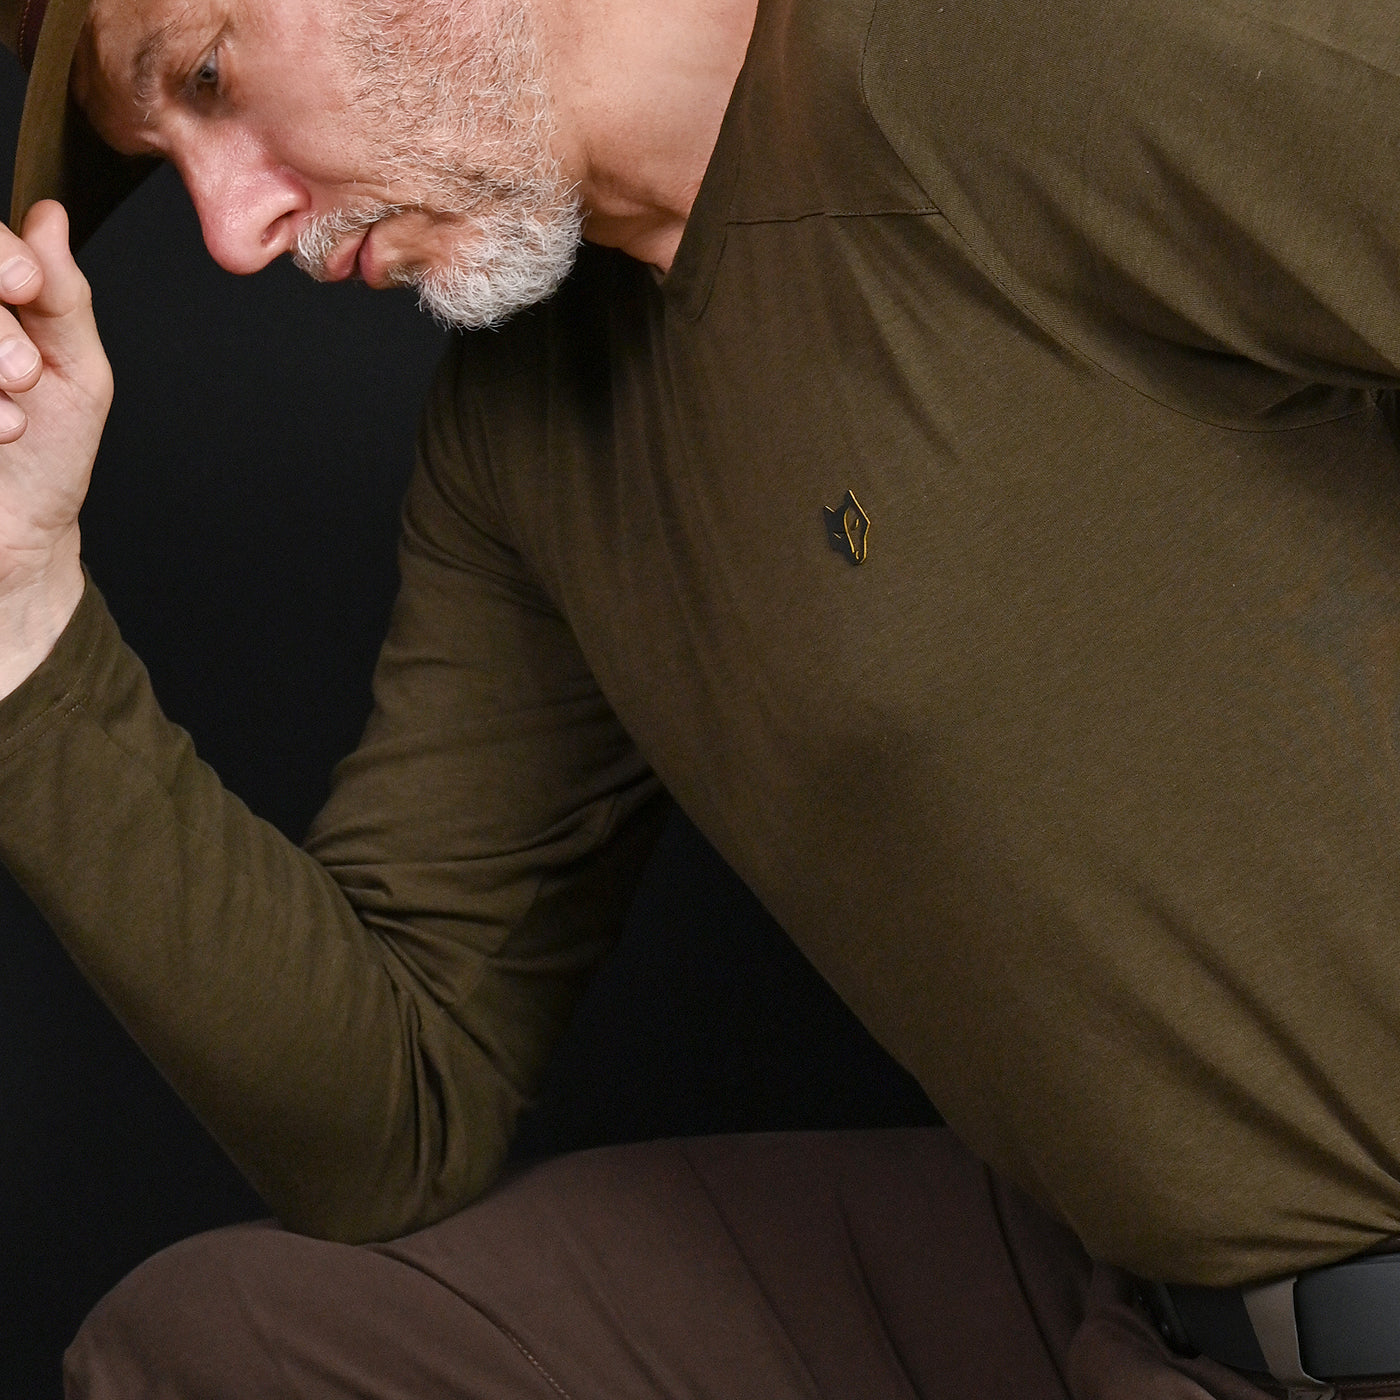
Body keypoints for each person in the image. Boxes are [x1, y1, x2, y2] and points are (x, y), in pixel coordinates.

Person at [4, 0, 1400, 1389]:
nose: (235, 232)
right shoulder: (529, 435)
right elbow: (395, 1115)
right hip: (1148, 1303)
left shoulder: (1038, 54)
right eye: (174, 151)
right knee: (236, 1347)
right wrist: (23, 615)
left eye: (205, 75)